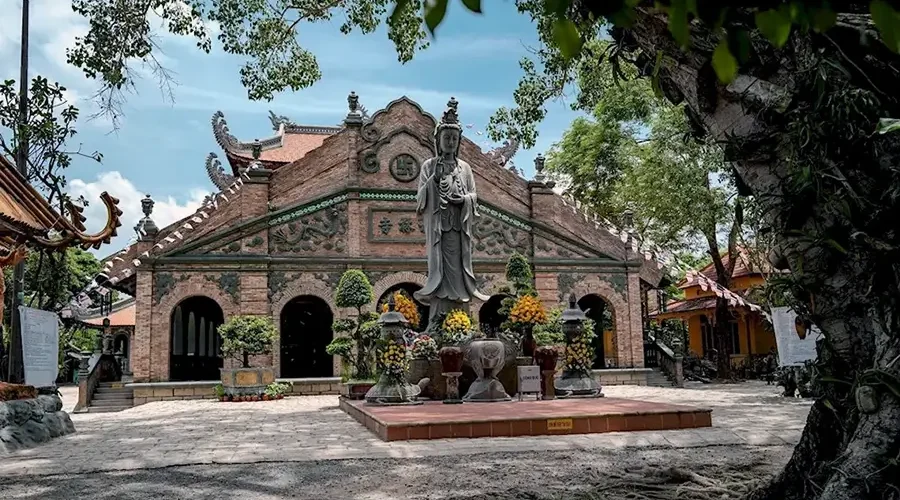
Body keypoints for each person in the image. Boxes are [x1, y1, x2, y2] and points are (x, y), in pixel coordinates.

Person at [414, 97, 488, 327]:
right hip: (439, 229)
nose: (450, 142)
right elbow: (420, 200)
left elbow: (474, 196)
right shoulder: (429, 166)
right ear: (438, 140)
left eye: (454, 138)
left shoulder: (465, 168)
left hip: (457, 227)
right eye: (446, 138)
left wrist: (463, 200)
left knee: (457, 270)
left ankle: (460, 319)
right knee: (440, 269)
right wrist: (434, 180)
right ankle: (439, 320)